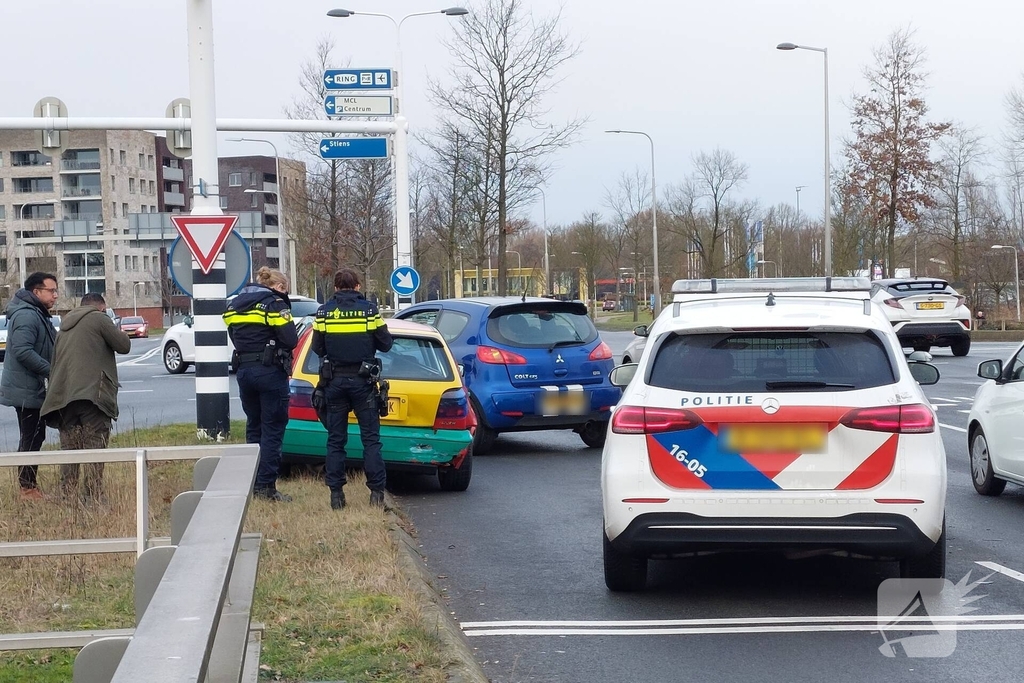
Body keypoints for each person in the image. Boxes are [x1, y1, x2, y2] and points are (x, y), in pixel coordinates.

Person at [312, 268, 393, 510]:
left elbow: (317, 347)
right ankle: (377, 494)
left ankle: (336, 496)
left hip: (334, 382)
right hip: (363, 382)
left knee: (336, 440)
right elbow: (386, 344)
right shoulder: (369, 310)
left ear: (335, 287)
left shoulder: (324, 312)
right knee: (371, 440)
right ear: (357, 286)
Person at [40, 292, 131, 501]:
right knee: (95, 446)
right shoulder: (99, 318)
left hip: (63, 397)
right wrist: (111, 323)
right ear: (101, 307)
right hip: (92, 396)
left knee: (70, 449)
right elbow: (124, 346)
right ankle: (93, 497)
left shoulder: (63, 327)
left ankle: (67, 495)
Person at [223, 267, 297, 502]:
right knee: (273, 428)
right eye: (284, 289)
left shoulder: (234, 305)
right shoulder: (275, 304)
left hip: (244, 371)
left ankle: (252, 482)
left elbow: (234, 335)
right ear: (279, 286)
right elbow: (290, 339)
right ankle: (266, 487)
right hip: (269, 372)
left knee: (254, 427)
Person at [0, 272, 59, 500]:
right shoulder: (27, 315)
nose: (55, 295)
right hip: (26, 389)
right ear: (36, 292)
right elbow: (23, 351)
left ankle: (29, 485)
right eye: (51, 291)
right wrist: (51, 371)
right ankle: (26, 488)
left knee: (35, 435)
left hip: (31, 387)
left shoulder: (36, 313)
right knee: (31, 436)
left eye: (56, 290)